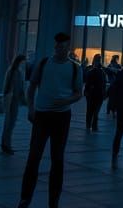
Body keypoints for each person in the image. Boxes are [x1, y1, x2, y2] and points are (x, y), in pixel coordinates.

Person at [17, 32, 83, 208]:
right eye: (59, 46)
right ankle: (25, 197)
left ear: (68, 48)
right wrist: (31, 108)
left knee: (57, 159)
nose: (61, 50)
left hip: (62, 116)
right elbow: (31, 87)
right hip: (42, 115)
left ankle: (53, 201)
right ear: (55, 47)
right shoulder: (44, 63)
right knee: (34, 157)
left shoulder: (75, 68)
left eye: (64, 47)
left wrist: (66, 100)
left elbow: (78, 93)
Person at [1, 54, 28, 154]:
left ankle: (6, 144)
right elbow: (11, 87)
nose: (24, 64)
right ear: (19, 62)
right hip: (11, 100)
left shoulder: (17, 72)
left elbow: (19, 88)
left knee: (10, 123)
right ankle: (6, 145)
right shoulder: (13, 72)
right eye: (23, 62)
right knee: (9, 123)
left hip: (14, 100)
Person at [83, 53, 106, 132]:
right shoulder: (102, 71)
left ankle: (89, 125)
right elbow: (103, 83)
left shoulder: (90, 70)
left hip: (91, 93)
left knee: (90, 110)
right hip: (97, 93)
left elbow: (87, 82)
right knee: (95, 111)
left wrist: (86, 91)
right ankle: (93, 126)